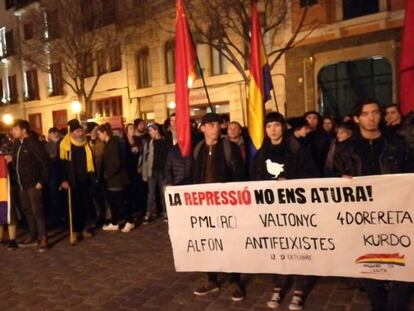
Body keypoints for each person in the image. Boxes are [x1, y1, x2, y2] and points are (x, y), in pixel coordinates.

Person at [333, 100, 413, 311]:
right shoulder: (345, 149)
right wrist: (340, 180)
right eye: (366, 114)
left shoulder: (397, 143)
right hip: (363, 217)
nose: (371, 117)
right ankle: (377, 303)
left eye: (375, 112)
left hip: (397, 214)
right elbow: (330, 179)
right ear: (357, 118)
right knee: (368, 263)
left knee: (402, 262)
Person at [250, 112, 318, 310]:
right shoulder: (261, 153)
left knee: (298, 246)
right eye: (269, 126)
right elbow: (254, 178)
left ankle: (300, 287)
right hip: (271, 210)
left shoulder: (298, 149)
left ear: (283, 127)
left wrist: (291, 182)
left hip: (295, 209)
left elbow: (312, 174)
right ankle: (279, 284)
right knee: (277, 246)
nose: (273, 129)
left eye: (276, 125)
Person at [192, 113, 247, 302]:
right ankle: (212, 279)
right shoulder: (198, 148)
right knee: (210, 243)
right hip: (204, 207)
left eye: (217, 124)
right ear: (203, 128)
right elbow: (194, 176)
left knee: (230, 243)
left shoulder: (229, 147)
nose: (216, 128)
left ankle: (234, 280)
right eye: (211, 125)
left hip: (226, 206)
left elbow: (240, 175)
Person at [6, 120, 50, 252]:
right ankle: (33, 235)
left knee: (37, 211)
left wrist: (41, 181)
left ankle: (43, 238)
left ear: (23, 130)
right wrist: (11, 159)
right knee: (27, 211)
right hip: (22, 185)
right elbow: (22, 160)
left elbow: (46, 163)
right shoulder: (18, 144)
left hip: (33, 184)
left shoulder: (34, 144)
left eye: (15, 129)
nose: (13, 132)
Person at [59, 119, 95, 243]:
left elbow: (91, 161)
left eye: (81, 130)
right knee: (73, 207)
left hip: (85, 180)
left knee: (86, 205)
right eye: (77, 131)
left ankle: (85, 228)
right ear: (72, 133)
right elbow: (61, 164)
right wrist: (63, 179)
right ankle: (74, 230)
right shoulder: (65, 145)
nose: (80, 133)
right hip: (71, 181)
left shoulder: (85, 144)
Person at [97, 123, 133, 232]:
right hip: (112, 179)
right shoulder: (110, 143)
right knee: (113, 202)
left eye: (99, 134)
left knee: (119, 201)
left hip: (116, 179)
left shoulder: (112, 144)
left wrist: (108, 174)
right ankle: (114, 222)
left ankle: (129, 221)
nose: (99, 136)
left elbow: (115, 162)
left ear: (105, 133)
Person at [141, 123, 169, 222]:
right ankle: (148, 213)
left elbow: (167, 157)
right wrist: (144, 172)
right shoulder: (149, 142)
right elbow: (145, 158)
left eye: (151, 130)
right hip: (152, 171)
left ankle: (166, 212)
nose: (149, 132)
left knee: (163, 193)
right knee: (151, 193)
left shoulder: (164, 141)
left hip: (162, 171)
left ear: (156, 130)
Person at [44, 127, 64, 227]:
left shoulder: (60, 143)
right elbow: (50, 157)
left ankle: (59, 216)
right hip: (52, 174)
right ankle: (57, 217)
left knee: (57, 197)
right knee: (54, 197)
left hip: (57, 174)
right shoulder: (48, 145)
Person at [304, 111, 331, 175]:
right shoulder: (302, 134)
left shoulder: (323, 135)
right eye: (309, 118)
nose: (312, 120)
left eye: (314, 118)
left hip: (319, 168)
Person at [0, 155, 18, 250]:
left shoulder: (8, 144)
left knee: (9, 210)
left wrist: (11, 158)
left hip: (6, 182)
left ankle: (12, 239)